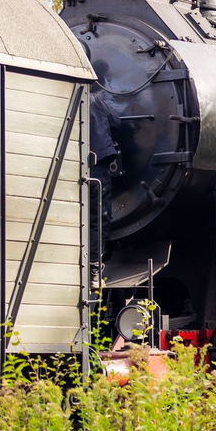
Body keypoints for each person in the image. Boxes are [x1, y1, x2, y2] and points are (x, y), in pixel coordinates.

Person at [89, 93, 121, 289]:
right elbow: (116, 122)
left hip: (70, 165)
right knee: (98, 218)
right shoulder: (94, 99)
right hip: (97, 165)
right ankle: (94, 271)